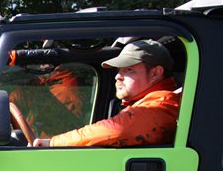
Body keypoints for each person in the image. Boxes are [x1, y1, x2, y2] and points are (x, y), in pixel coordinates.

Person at [32, 39, 181, 147]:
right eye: (119, 70)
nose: (118, 76)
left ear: (155, 73)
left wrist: (53, 143)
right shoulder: (149, 103)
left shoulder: (163, 104)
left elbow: (118, 129)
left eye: (129, 70)